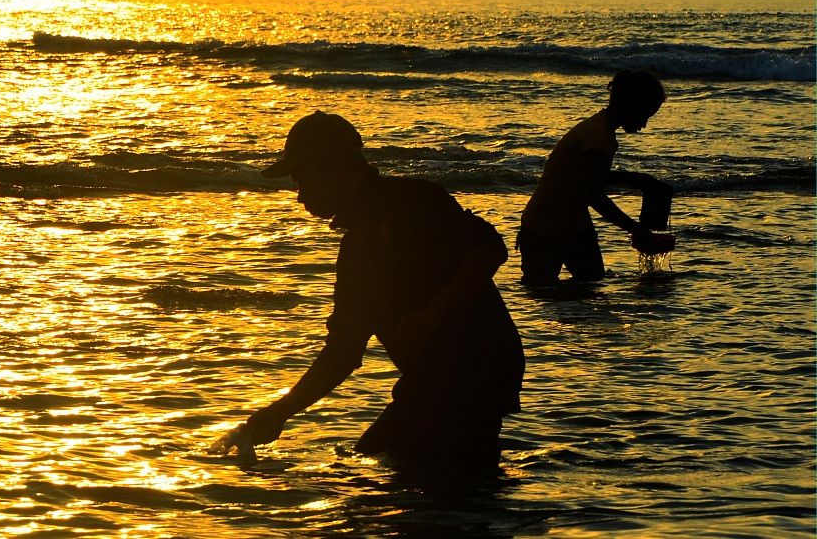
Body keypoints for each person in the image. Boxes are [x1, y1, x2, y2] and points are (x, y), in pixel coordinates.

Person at [214, 111, 524, 485]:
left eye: (302, 178)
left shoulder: (416, 199)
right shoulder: (357, 248)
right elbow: (342, 353)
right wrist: (279, 412)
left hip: (478, 369)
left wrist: (432, 312)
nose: (299, 195)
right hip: (431, 381)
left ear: (335, 167)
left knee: (428, 484)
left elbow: (489, 250)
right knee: (390, 469)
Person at [517, 70, 674, 285]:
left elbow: (581, 176)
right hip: (545, 229)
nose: (644, 123)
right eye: (646, 114)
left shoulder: (597, 128)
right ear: (631, 104)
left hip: (568, 224)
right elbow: (593, 194)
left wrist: (635, 179)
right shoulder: (599, 137)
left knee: (586, 292)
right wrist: (638, 231)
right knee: (570, 291)